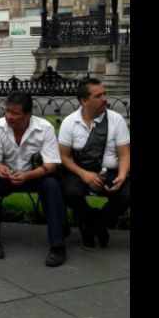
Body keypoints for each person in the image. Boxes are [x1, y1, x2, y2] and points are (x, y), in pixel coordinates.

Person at [0, 91, 67, 267]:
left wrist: (28, 175)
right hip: (8, 176)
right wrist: (1, 169)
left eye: (15, 113)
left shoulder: (44, 128)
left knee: (52, 185)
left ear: (28, 114)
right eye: (7, 111)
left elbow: (51, 165)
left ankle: (58, 246)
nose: (9, 117)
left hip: (35, 175)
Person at [59, 78, 130, 250]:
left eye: (105, 94)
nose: (105, 99)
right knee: (69, 192)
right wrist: (83, 174)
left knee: (128, 194)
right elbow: (64, 157)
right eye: (98, 96)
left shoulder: (116, 120)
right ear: (84, 101)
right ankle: (92, 223)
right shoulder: (70, 122)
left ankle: (93, 224)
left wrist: (121, 176)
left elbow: (125, 153)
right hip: (80, 172)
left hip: (112, 173)